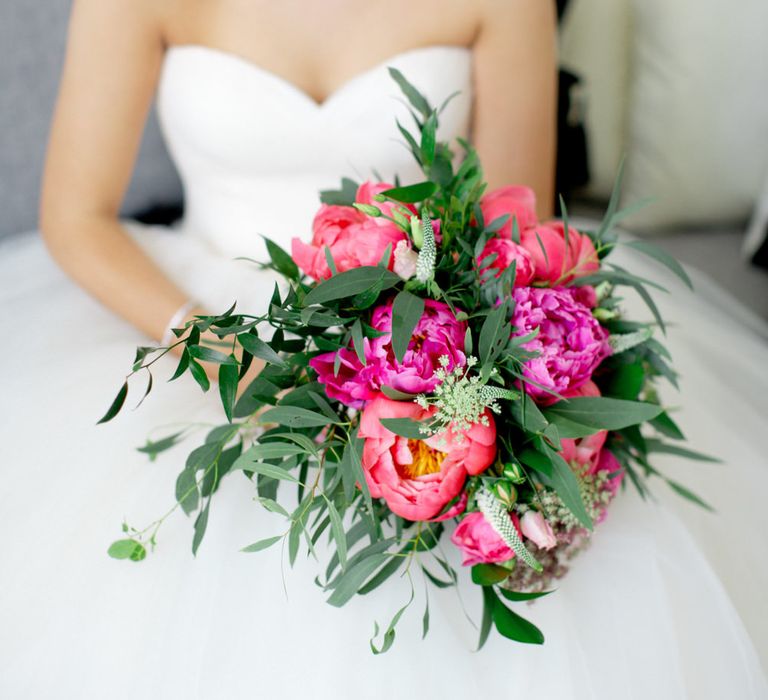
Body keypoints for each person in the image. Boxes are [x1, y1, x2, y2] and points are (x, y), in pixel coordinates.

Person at [0, 0, 765, 697]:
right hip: (188, 314)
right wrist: (226, 358)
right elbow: (77, 216)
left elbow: (508, 245)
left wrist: (428, 383)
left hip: (419, 340)